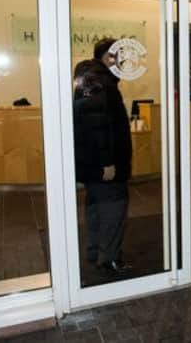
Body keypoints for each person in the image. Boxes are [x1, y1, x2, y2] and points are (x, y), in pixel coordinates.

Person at [73, 38, 133, 275]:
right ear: (107, 57)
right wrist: (106, 165)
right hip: (106, 166)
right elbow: (97, 128)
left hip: (96, 166)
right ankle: (109, 259)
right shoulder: (99, 82)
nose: (121, 61)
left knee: (96, 208)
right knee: (113, 210)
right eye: (117, 56)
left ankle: (95, 251)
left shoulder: (92, 79)